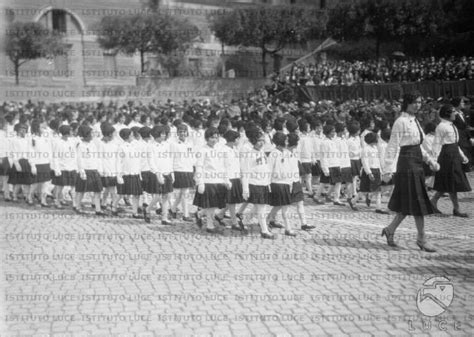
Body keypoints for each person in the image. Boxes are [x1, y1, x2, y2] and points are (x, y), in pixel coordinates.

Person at [381, 92, 440, 252]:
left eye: (420, 102)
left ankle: (390, 230)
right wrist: (387, 169)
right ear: (407, 103)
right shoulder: (400, 121)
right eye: (414, 102)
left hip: (417, 162)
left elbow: (418, 144)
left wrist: (430, 160)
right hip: (407, 164)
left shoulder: (415, 121)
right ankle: (421, 239)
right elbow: (393, 145)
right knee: (418, 200)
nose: (417, 105)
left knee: (411, 201)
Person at [430, 104, 471, 217]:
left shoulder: (452, 125)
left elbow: (455, 143)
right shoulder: (442, 126)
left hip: (454, 154)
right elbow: (437, 143)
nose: (455, 114)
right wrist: (434, 160)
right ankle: (455, 209)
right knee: (451, 182)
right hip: (446, 156)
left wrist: (462, 155)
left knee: (451, 182)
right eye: (453, 112)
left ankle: (434, 202)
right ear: (447, 113)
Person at [192, 127, 231, 234]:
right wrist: (200, 182)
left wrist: (226, 179)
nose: (214, 140)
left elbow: (223, 166)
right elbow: (199, 166)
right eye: (211, 138)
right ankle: (210, 225)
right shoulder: (202, 150)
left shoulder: (219, 149)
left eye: (216, 137)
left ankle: (200, 214)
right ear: (207, 138)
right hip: (207, 180)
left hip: (218, 180)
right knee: (210, 205)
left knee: (215, 204)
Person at [74, 125, 105, 215]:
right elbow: (79, 159)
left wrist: (100, 169)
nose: (92, 135)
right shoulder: (80, 145)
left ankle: (98, 209)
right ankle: (77, 206)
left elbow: (97, 157)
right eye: (91, 133)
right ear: (86, 134)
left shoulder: (93, 144)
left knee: (97, 190)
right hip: (85, 170)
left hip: (94, 169)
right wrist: (82, 171)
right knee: (81, 190)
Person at [451, 97, 472, 171]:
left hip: (465, 137)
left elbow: (465, 126)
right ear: (457, 104)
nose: (463, 104)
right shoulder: (453, 114)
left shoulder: (462, 113)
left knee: (468, 152)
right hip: (459, 137)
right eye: (462, 102)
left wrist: (470, 137)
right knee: (463, 153)